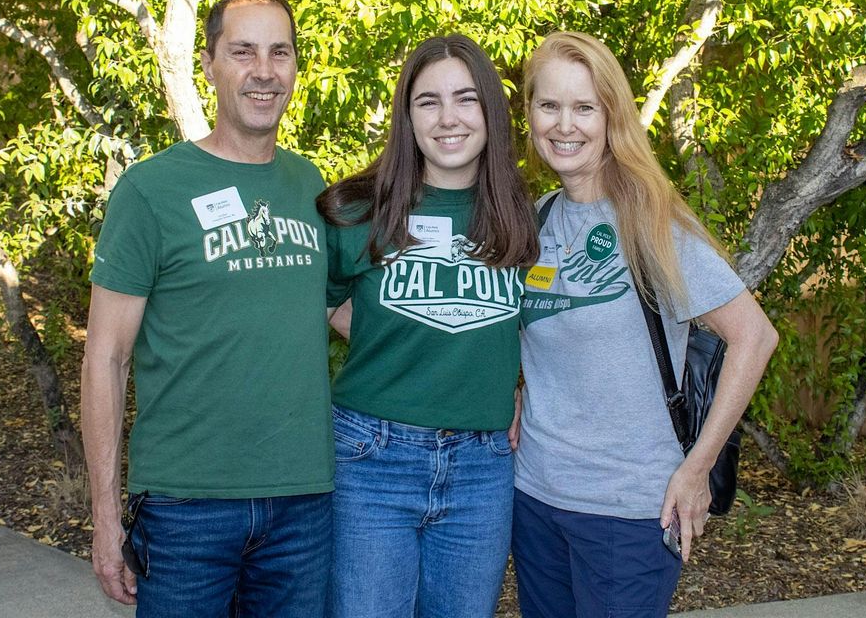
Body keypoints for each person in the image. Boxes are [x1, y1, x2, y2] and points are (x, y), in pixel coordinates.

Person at [81, 0, 333, 617]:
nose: (264, 71)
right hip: (186, 509)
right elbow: (105, 358)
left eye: (280, 53)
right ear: (209, 63)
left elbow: (341, 314)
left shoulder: (311, 186)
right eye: (243, 51)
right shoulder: (151, 190)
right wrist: (105, 518)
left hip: (304, 505)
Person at [510, 31, 779, 618]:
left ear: (612, 117)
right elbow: (531, 341)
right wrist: (515, 389)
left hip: (630, 510)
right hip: (534, 499)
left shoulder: (651, 223)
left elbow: (754, 337)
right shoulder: (533, 222)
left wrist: (697, 466)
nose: (565, 124)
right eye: (549, 105)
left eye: (585, 108)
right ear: (529, 113)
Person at [317, 34, 539, 618]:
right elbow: (313, 307)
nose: (448, 118)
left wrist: (509, 378)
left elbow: (529, 326)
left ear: (491, 110)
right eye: (427, 101)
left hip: (483, 468)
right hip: (371, 459)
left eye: (466, 99)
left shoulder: (523, 216)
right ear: (406, 116)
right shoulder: (357, 211)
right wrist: (380, 337)